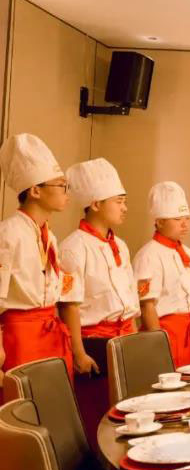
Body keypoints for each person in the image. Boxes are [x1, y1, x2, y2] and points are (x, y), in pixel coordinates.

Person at [59, 158, 144, 441]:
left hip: (124, 338)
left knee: (129, 412)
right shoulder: (73, 247)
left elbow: (128, 298)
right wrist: (78, 352)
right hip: (94, 342)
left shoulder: (120, 245)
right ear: (96, 204)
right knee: (98, 414)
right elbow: (69, 305)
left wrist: (134, 339)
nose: (125, 208)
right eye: (119, 202)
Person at [0, 134, 78, 383]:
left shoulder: (49, 236)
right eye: (61, 185)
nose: (66, 192)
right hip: (19, 338)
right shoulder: (8, 233)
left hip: (49, 332)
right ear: (35, 190)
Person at [133, 181, 190, 368]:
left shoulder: (187, 253)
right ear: (160, 221)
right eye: (177, 219)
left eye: (187, 218)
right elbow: (147, 305)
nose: (185, 224)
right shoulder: (148, 255)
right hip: (166, 332)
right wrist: (159, 345)